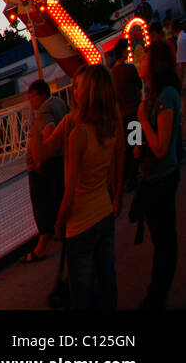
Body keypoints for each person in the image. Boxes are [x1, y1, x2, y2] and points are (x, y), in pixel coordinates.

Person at [55, 65, 122, 310]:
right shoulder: (110, 126)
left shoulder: (79, 135)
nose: (74, 92)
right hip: (104, 212)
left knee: (81, 290)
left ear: (90, 92)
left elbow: (70, 192)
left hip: (81, 223)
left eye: (78, 87)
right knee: (106, 278)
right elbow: (115, 161)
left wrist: (60, 223)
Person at [132, 40, 181, 310]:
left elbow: (162, 147)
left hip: (162, 176)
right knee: (160, 238)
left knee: (164, 242)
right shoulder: (151, 95)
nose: (140, 61)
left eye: (145, 58)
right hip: (151, 177)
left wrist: (141, 120)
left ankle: (156, 296)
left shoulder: (167, 96)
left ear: (155, 64)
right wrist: (140, 146)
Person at [23, 80, 67, 262]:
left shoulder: (42, 112)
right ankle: (60, 231)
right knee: (57, 196)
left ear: (39, 95)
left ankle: (42, 246)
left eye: (31, 96)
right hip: (59, 160)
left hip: (44, 165)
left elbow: (49, 131)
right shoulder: (59, 102)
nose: (30, 101)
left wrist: (41, 157)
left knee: (42, 205)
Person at [109, 38, 143, 192]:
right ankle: (139, 174)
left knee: (127, 147)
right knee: (136, 143)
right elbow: (139, 85)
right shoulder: (129, 69)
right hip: (134, 112)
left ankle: (130, 176)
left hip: (121, 116)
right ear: (123, 52)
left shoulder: (111, 74)